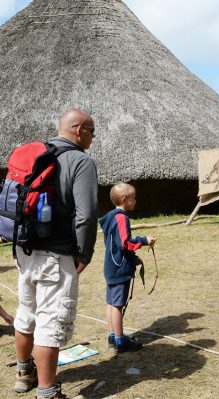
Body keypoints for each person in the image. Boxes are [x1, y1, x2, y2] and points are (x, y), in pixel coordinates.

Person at [13, 109, 98, 399]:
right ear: (79, 129)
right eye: (92, 131)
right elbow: (87, 216)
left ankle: (24, 374)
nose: (93, 137)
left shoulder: (36, 155)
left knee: (26, 314)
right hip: (57, 254)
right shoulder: (81, 161)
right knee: (51, 323)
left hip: (24, 249)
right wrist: (84, 254)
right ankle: (47, 392)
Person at [99, 182, 156, 354]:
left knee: (111, 303)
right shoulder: (121, 218)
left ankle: (112, 335)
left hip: (111, 266)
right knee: (117, 305)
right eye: (133, 198)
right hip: (119, 269)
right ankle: (120, 340)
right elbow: (125, 242)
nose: (135, 201)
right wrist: (144, 240)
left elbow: (115, 245)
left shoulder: (110, 216)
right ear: (124, 200)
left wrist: (132, 258)